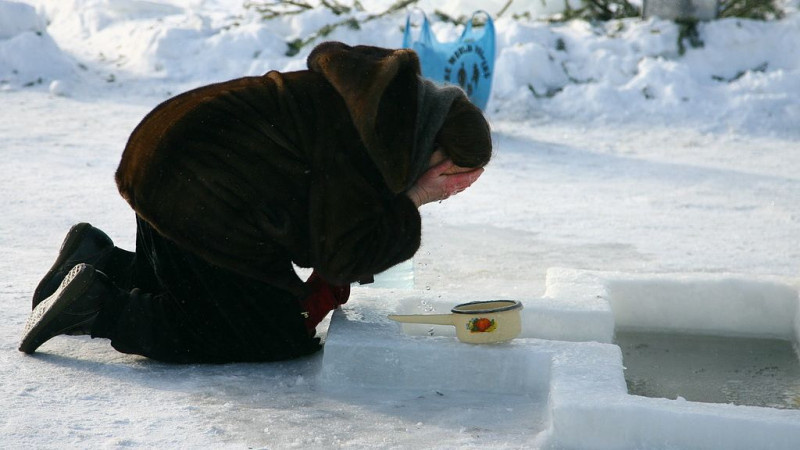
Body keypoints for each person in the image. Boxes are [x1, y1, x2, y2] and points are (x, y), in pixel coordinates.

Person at [19, 41, 492, 363]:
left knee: (205, 283)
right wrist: (412, 198)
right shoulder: (363, 142)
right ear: (434, 149)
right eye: (450, 178)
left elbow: (326, 224)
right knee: (269, 333)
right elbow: (341, 251)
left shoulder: (376, 108)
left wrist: (400, 202)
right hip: (196, 190)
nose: (447, 193)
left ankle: (98, 261)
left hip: (168, 163)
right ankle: (101, 306)